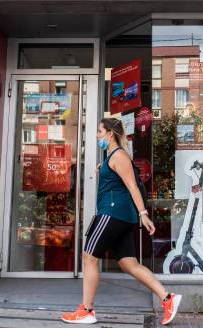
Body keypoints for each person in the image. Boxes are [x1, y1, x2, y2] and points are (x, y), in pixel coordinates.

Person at [61, 117, 182, 325]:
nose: (97, 136)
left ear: (110, 133)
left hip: (113, 214)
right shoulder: (112, 158)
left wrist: (143, 214)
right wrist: (103, 171)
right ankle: (168, 298)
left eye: (100, 132)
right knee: (129, 263)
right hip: (121, 216)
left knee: (89, 257)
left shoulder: (119, 156)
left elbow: (132, 186)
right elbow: (117, 183)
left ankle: (87, 311)